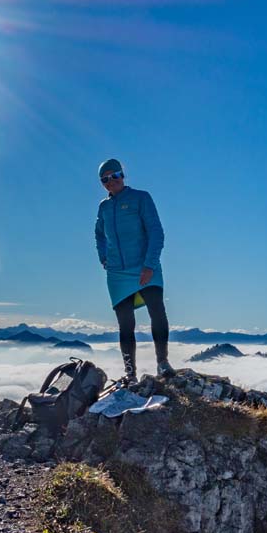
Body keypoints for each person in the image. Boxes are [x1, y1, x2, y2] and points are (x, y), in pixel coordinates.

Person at [93, 158, 175, 383]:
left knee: (156, 311)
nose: (110, 181)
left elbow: (156, 232)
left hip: (145, 266)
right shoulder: (104, 207)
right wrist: (103, 257)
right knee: (125, 323)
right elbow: (99, 234)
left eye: (114, 175)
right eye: (104, 179)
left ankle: (162, 363)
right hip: (117, 273)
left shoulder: (141, 198)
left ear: (123, 174)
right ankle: (130, 374)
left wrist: (149, 264)